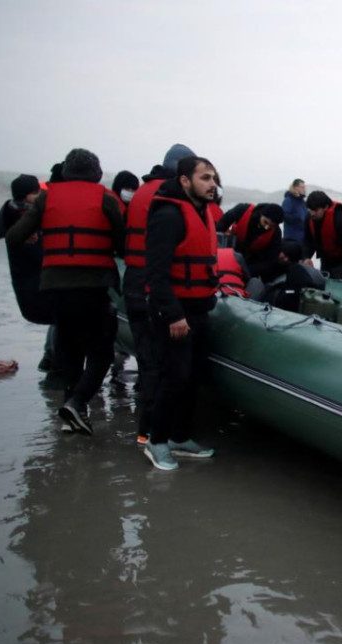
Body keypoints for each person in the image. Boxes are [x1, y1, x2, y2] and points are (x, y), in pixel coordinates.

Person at [6, 148, 125, 435]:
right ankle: (77, 402)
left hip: (56, 287)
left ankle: (73, 413)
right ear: (96, 172)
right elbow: (123, 243)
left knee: (69, 349)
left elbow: (13, 237)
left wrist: (39, 237)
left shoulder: (48, 198)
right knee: (101, 353)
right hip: (93, 287)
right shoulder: (106, 198)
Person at [142, 156, 223, 470]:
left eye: (213, 178)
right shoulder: (169, 215)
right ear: (185, 180)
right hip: (174, 311)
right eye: (205, 178)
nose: (212, 184)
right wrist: (173, 314)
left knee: (192, 377)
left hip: (198, 307)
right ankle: (156, 441)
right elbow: (156, 272)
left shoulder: (201, 212)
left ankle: (179, 436)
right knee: (173, 377)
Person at [122, 143, 196, 444]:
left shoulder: (142, 192)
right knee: (162, 364)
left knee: (149, 360)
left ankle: (148, 429)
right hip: (157, 284)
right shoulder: (171, 197)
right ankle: (152, 432)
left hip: (135, 280)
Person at [0, 174, 57, 369]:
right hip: (30, 278)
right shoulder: (13, 215)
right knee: (59, 317)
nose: (39, 196)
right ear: (23, 196)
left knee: (58, 317)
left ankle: (50, 359)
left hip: (44, 276)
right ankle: (52, 359)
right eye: (34, 193)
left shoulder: (36, 213)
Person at [218, 202, 284, 282]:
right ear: (261, 214)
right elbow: (220, 226)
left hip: (250, 262)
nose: (267, 227)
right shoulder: (242, 210)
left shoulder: (276, 233)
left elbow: (269, 261)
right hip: (228, 252)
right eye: (266, 222)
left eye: (271, 226)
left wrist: (246, 271)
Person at [302, 190, 342, 282]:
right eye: (310, 210)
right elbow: (308, 240)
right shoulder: (310, 218)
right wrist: (306, 257)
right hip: (325, 259)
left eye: (315, 210)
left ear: (326, 207)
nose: (312, 213)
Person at [282, 178, 309, 243]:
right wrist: (299, 221)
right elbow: (284, 215)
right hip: (292, 238)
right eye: (302, 187)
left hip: (303, 238)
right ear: (296, 188)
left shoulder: (302, 202)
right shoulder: (288, 200)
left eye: (304, 187)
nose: (304, 189)